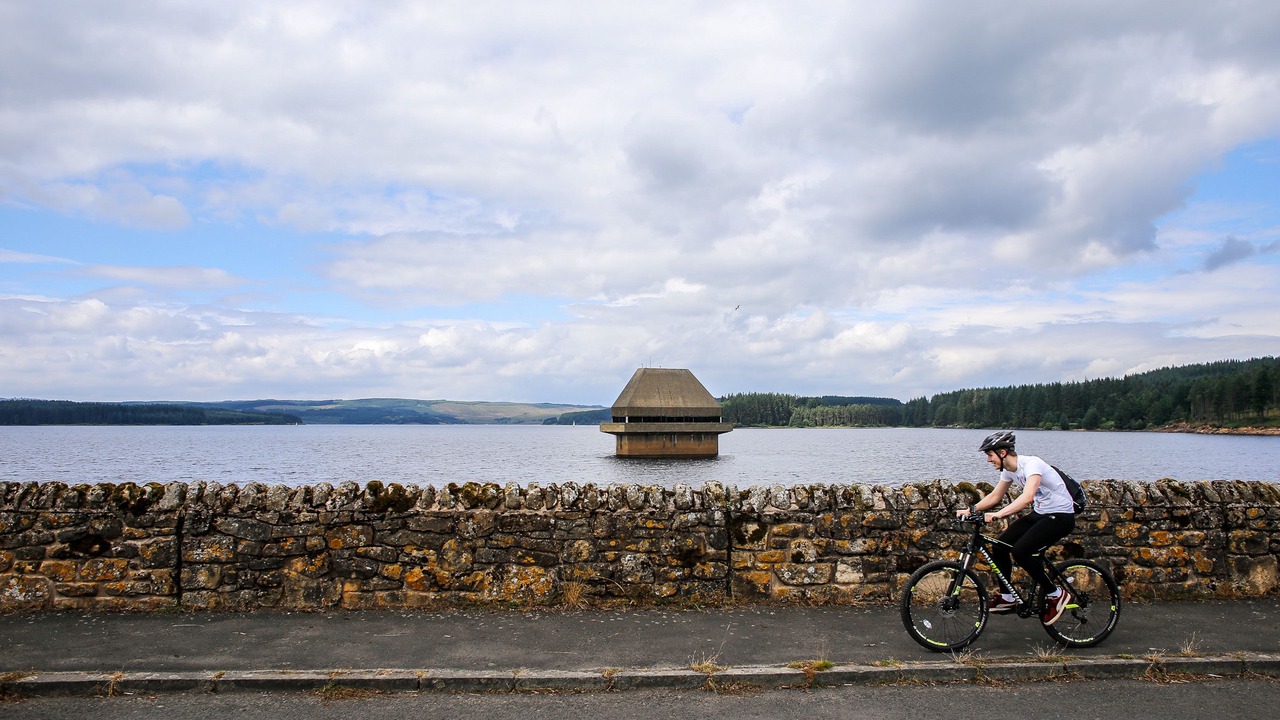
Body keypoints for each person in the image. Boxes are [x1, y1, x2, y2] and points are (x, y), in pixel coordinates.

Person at [957, 430, 1076, 625]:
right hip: (1041, 515)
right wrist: (970, 511)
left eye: (990, 454)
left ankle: (1056, 594)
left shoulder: (1032, 465)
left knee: (1021, 552)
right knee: (1000, 546)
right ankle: (1008, 597)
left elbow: (1027, 497)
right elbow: (995, 496)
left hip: (1061, 517)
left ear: (1002, 453)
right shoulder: (1008, 470)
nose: (988, 460)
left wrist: (998, 514)